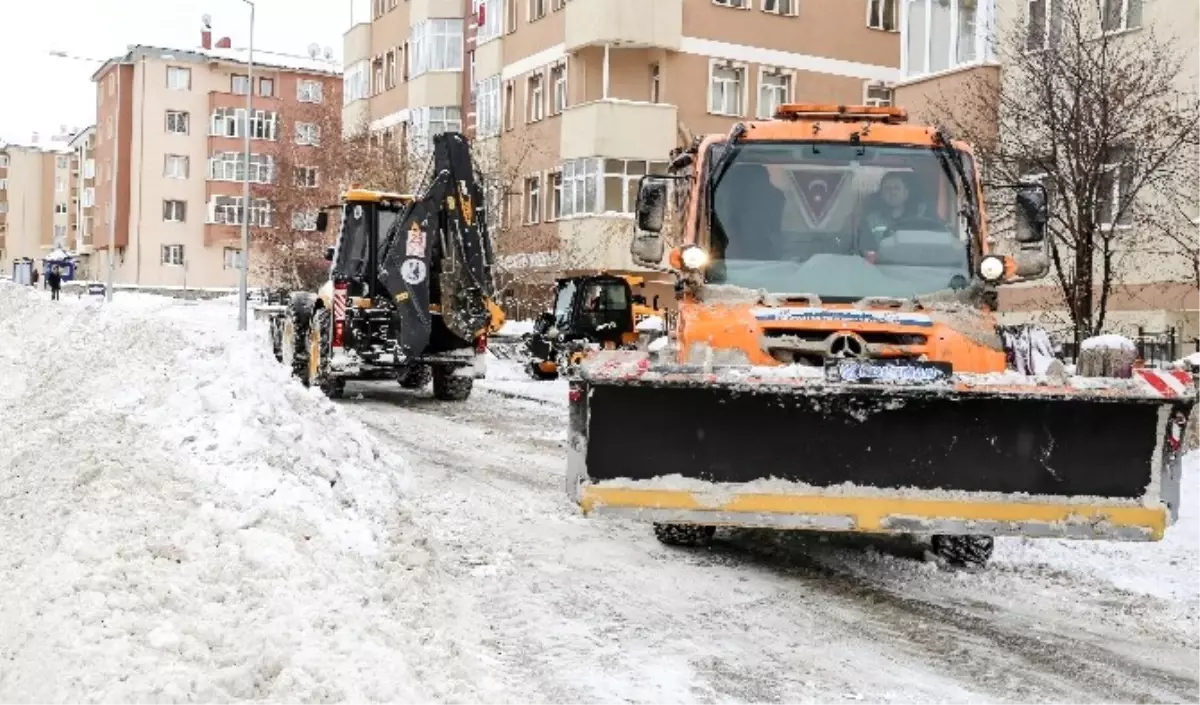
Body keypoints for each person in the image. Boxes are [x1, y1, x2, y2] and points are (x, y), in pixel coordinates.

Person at [859, 171, 934, 253]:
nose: (892, 192)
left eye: (896, 188)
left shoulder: (919, 220)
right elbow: (866, 252)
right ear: (881, 194)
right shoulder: (871, 221)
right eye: (887, 188)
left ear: (906, 193)